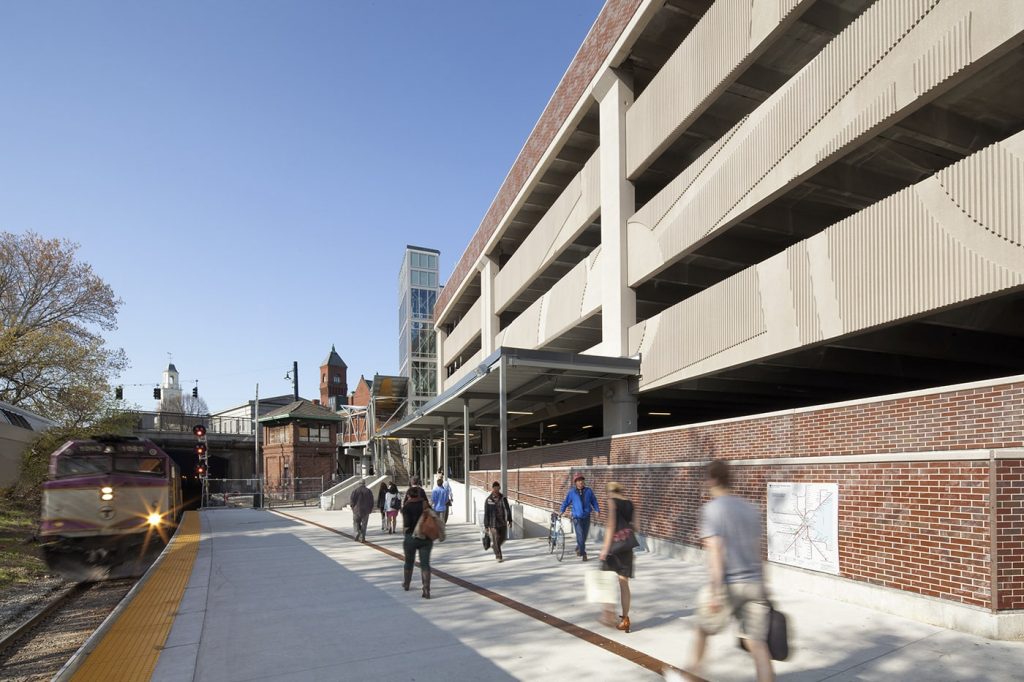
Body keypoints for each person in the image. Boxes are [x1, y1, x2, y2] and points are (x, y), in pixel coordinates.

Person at [688, 459, 774, 682]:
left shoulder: (712, 509)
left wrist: (716, 592)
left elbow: (716, 552)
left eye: (707, 477)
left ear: (714, 479)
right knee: (758, 645)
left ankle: (691, 676)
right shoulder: (751, 508)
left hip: (729, 585)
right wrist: (765, 587)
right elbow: (759, 550)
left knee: (702, 631)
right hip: (755, 584)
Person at [598, 482, 635, 633]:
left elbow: (611, 526)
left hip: (614, 548)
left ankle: (609, 613)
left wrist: (605, 549)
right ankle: (625, 619)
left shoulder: (612, 502)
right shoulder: (630, 504)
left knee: (605, 579)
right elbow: (635, 526)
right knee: (624, 583)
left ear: (610, 492)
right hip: (627, 548)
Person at [401, 486, 434, 598]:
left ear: (409, 495)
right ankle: (426, 589)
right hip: (426, 537)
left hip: (411, 537)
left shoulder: (406, 507)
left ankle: (406, 584)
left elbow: (406, 525)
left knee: (409, 561)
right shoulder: (425, 505)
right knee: (425, 564)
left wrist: (404, 533)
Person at [559, 473, 599, 561]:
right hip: (576, 518)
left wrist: (597, 510)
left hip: (586, 516)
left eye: (581, 480)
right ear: (575, 482)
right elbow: (566, 502)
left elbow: (594, 501)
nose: (580, 482)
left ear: (583, 481)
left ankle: (578, 547)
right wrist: (561, 511)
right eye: (578, 481)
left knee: (584, 537)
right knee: (580, 535)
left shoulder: (589, 491)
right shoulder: (571, 492)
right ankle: (583, 553)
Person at [483, 481, 513, 562]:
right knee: (496, 538)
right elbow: (486, 513)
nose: (496, 489)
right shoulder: (489, 500)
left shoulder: (503, 498)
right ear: (492, 488)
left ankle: (495, 547)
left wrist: (510, 520)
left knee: (503, 538)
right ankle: (498, 556)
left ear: (499, 488)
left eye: (498, 487)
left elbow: (508, 510)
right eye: (495, 488)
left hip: (502, 522)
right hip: (493, 523)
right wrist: (486, 526)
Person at [349, 478, 374, 543]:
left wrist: (353, 508)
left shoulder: (355, 491)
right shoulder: (368, 491)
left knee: (356, 523)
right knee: (364, 524)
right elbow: (371, 501)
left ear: (359, 484)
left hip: (356, 510)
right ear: (364, 483)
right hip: (366, 511)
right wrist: (370, 509)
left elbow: (352, 501)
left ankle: (357, 532)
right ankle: (362, 537)